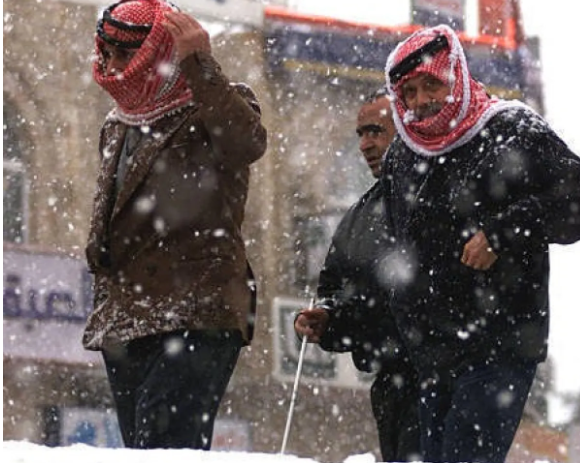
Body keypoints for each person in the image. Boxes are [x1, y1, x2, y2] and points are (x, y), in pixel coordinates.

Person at [380, 24, 580, 463]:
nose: (421, 101)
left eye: (432, 84)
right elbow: (390, 251)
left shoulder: (512, 129)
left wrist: (502, 234)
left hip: (498, 346)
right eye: (409, 92)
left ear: (457, 77)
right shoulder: (402, 155)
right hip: (430, 356)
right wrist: (341, 316)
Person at [82, 0, 267, 450]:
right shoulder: (118, 124)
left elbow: (247, 142)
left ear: (161, 54)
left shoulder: (211, 103)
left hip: (194, 313)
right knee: (142, 450)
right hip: (127, 320)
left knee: (166, 448)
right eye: (108, 53)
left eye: (126, 54)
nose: (113, 67)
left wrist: (198, 62)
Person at [294, 88, 421, 462]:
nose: (365, 145)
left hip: (445, 377)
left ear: (408, 128)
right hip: (391, 382)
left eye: (376, 131)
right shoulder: (359, 218)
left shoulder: (443, 195)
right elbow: (335, 290)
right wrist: (327, 318)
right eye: (361, 134)